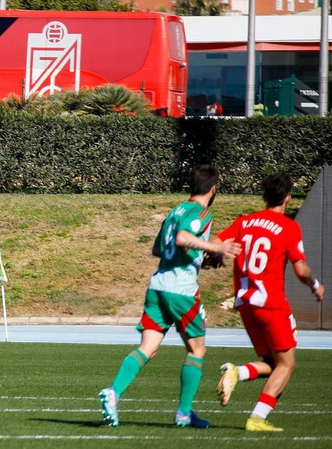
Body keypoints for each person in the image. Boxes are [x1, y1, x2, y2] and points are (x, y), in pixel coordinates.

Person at [99, 165, 240, 428]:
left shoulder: (175, 210)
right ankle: (184, 413)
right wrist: (214, 246)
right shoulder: (201, 212)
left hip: (158, 285)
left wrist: (201, 257)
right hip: (181, 289)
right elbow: (183, 237)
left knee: (148, 348)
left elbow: (158, 248)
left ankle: (113, 393)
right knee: (197, 349)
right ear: (213, 189)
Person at [214, 173, 324, 432]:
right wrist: (315, 285)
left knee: (273, 364)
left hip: (245, 304)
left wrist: (216, 256)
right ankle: (257, 418)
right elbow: (300, 270)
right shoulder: (288, 227)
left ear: (264, 197)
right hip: (271, 303)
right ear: (288, 197)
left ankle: (237, 373)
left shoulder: (245, 222)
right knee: (287, 364)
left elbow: (217, 243)